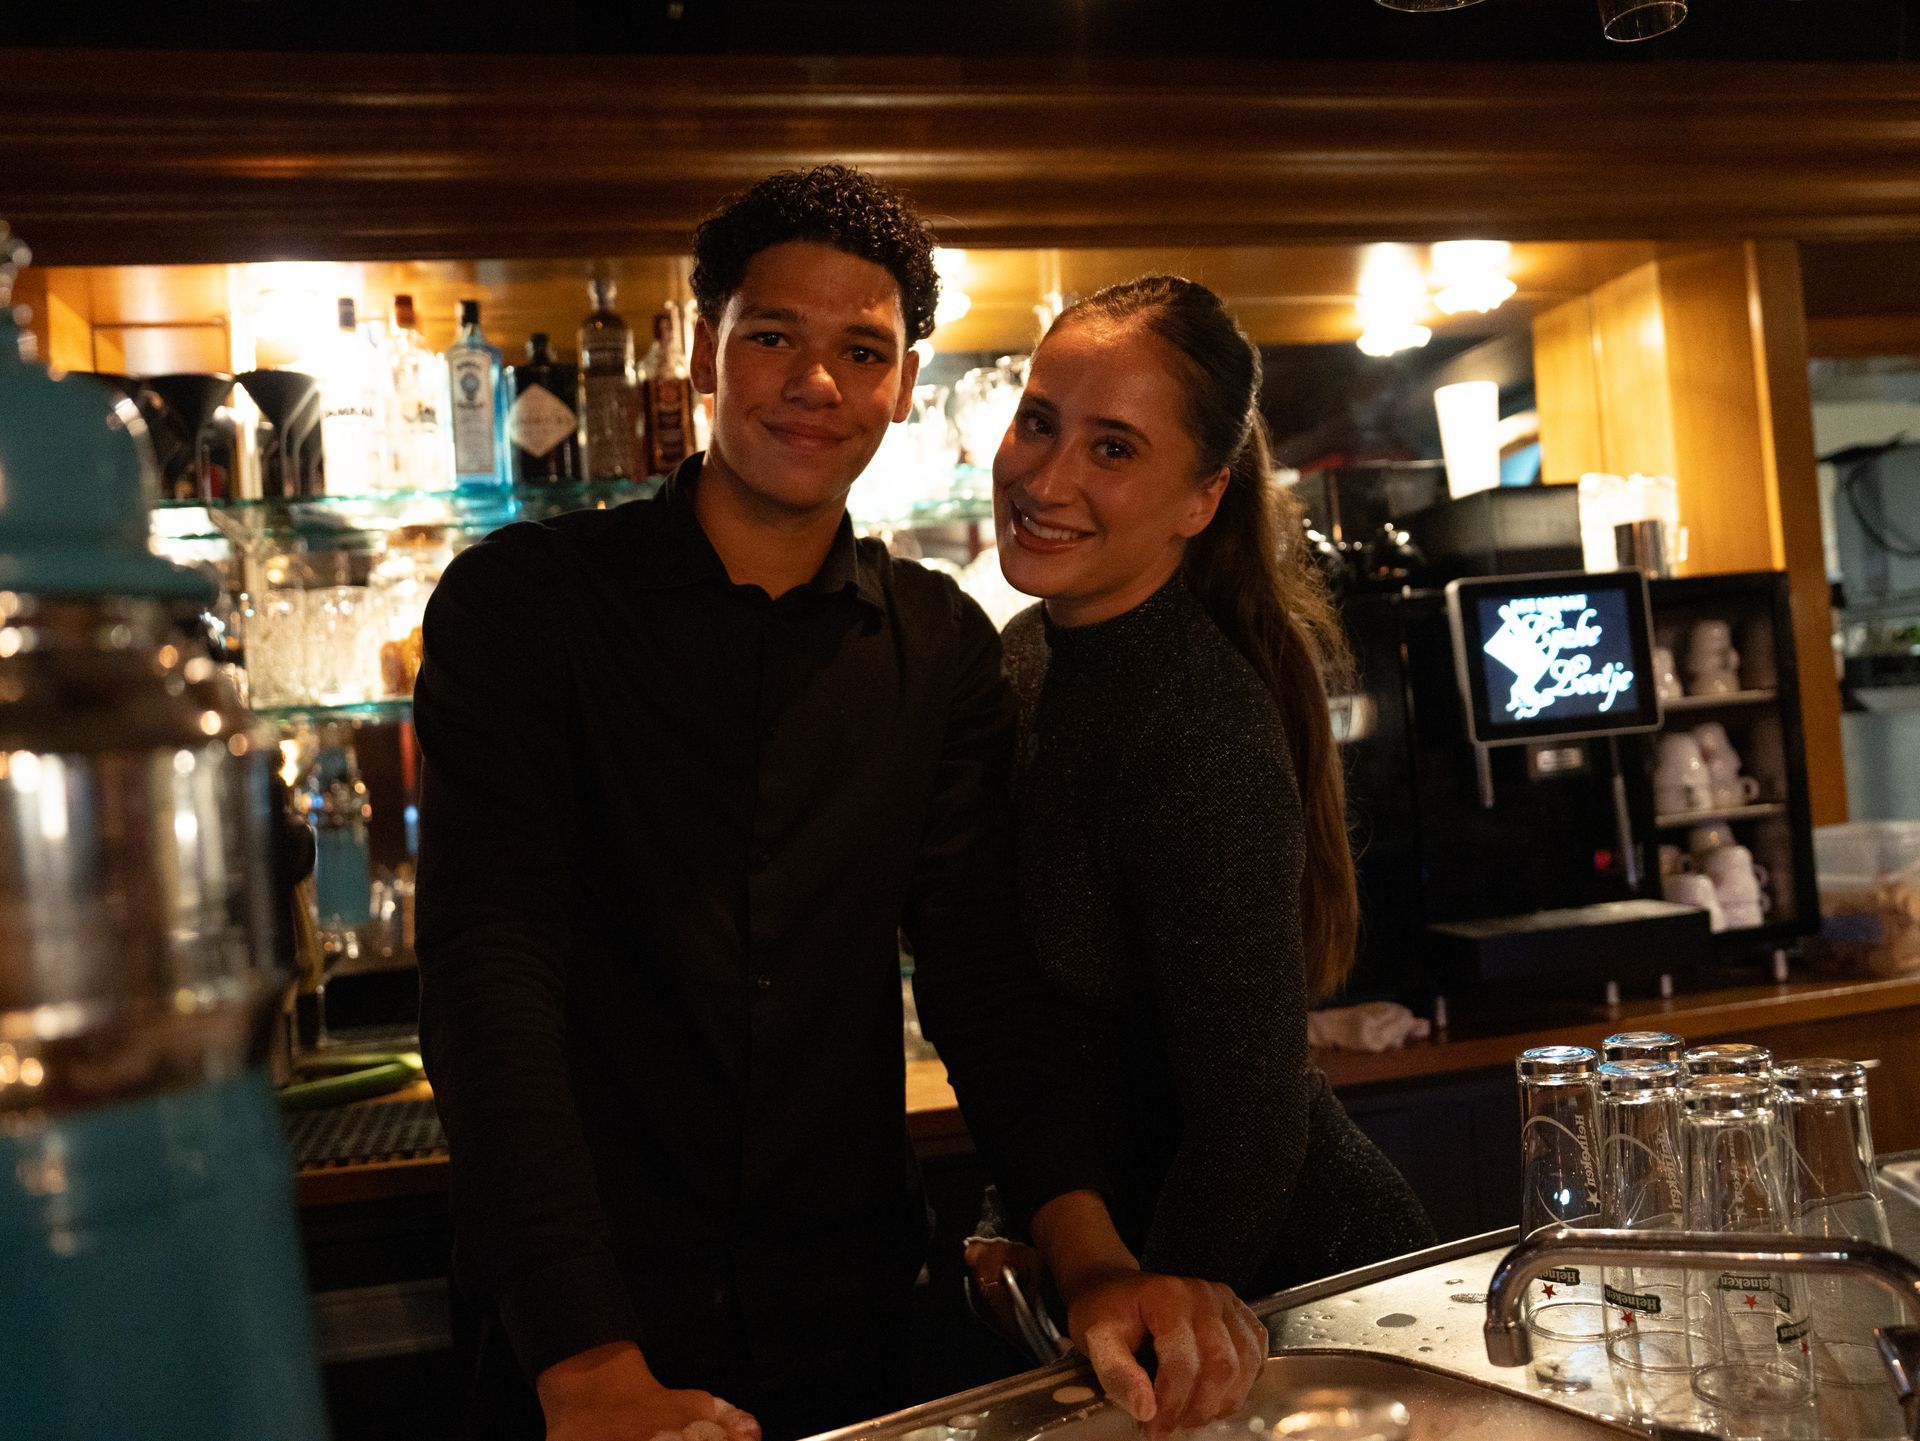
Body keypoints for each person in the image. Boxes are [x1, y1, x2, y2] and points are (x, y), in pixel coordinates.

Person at [414, 171, 1264, 1441]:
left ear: (904, 386)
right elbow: (490, 974)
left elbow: (981, 981)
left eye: (861, 351)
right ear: (704, 352)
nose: (816, 383)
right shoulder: (524, 608)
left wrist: (1088, 1259)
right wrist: (587, 1360)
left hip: (859, 1324)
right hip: (581, 1329)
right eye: (773, 338)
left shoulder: (940, 647)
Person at [974, 275, 1435, 1305]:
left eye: (1114, 448)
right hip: (1147, 1254)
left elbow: (1251, 1121)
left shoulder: (1194, 727)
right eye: (1038, 423)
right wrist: (1026, 1218)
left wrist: (1156, 1321)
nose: (1045, 480)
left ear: (1202, 495)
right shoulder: (1027, 659)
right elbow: (1045, 1021)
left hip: (1300, 1280)